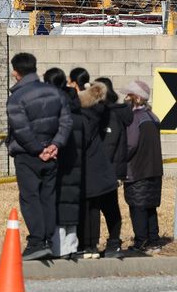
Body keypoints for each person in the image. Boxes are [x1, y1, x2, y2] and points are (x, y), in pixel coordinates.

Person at [6, 53, 72, 261]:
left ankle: (36, 242)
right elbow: (66, 121)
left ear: (16, 72)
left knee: (30, 197)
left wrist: (37, 149)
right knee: (48, 196)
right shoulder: (55, 93)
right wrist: (55, 144)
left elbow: (20, 128)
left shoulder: (16, 97)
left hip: (28, 154)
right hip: (52, 154)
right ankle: (49, 241)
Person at [68, 68, 121, 259]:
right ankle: (91, 246)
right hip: (99, 166)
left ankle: (86, 245)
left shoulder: (79, 111)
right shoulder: (98, 110)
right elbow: (99, 92)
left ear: (75, 83)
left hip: (86, 165)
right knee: (95, 207)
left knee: (87, 206)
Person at [43, 68, 83, 259]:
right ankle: (71, 246)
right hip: (76, 162)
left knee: (56, 204)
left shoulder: (52, 108)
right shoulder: (77, 108)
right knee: (71, 204)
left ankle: (58, 247)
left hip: (56, 161)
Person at [121, 80, 164, 254]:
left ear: (137, 98)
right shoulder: (153, 117)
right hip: (154, 169)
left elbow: (130, 145)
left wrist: (119, 159)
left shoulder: (135, 118)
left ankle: (140, 242)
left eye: (129, 95)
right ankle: (154, 241)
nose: (126, 98)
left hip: (137, 169)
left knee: (137, 205)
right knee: (150, 206)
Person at [95, 77, 133, 181]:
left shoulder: (109, 114)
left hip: (106, 171)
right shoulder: (113, 112)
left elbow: (108, 145)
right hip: (112, 169)